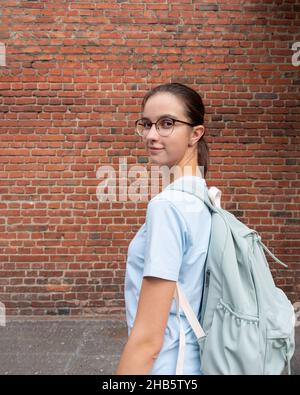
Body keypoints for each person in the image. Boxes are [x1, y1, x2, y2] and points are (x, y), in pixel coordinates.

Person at [116, 82, 212, 375]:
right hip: (196, 362)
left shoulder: (167, 207)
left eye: (166, 124)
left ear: (195, 133)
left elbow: (147, 341)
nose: (151, 135)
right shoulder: (204, 196)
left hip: (168, 367)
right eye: (146, 124)